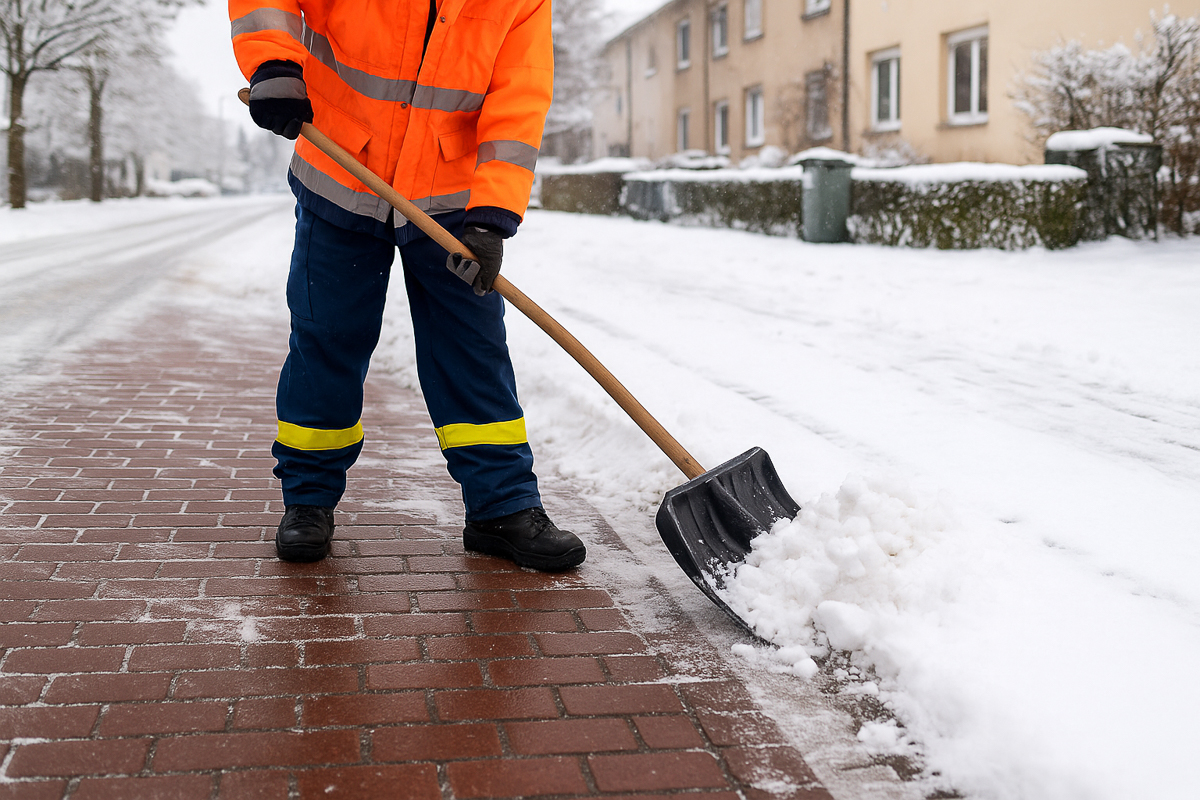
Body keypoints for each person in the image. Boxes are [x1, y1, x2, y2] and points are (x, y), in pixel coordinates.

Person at [229, 0, 585, 571]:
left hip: (451, 200)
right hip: (341, 171)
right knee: (327, 341)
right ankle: (308, 501)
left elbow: (519, 97)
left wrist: (492, 213)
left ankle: (502, 508)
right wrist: (273, 64)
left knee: (471, 352)